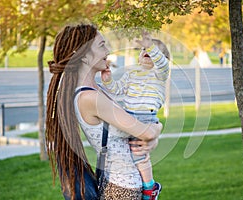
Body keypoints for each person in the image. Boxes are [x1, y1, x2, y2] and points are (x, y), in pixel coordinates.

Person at [45, 23, 163, 200]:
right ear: (83, 56)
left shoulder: (99, 90)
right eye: (101, 45)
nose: (108, 51)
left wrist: (150, 140)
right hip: (122, 191)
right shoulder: (90, 99)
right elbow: (145, 132)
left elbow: (138, 134)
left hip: (127, 186)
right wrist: (156, 130)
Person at [101, 31, 170, 200]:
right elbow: (118, 90)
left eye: (154, 51)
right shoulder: (131, 73)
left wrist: (151, 47)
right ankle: (135, 182)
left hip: (147, 117)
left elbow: (162, 64)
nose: (147, 51)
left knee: (139, 154)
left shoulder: (159, 74)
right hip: (129, 116)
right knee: (124, 149)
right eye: (143, 50)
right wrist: (108, 80)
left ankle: (149, 187)